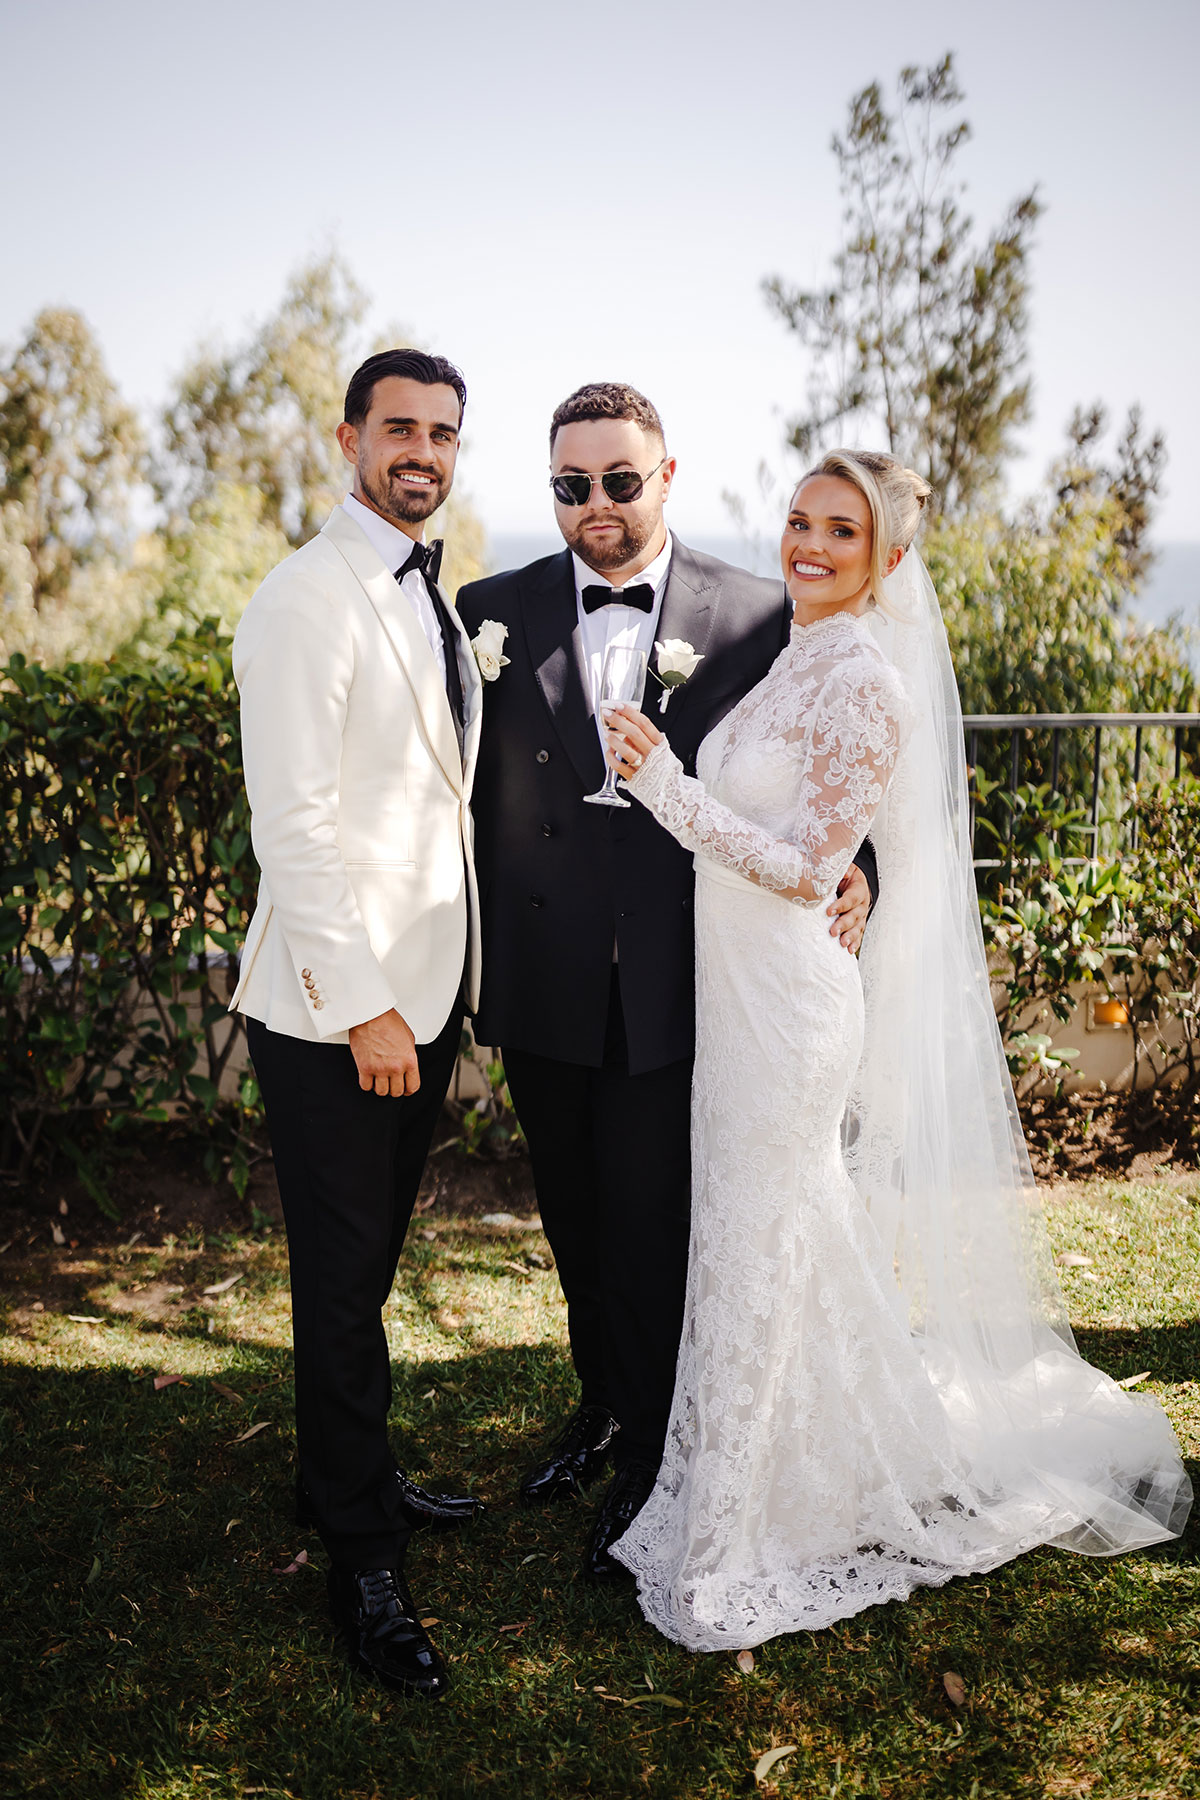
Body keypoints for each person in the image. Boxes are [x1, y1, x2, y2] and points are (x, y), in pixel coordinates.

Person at [603, 450, 1192, 1650]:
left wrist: (664, 786)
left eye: (842, 530)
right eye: (800, 520)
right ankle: (809, 1471)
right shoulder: (797, 656)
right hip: (742, 999)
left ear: (889, 558)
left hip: (792, 1008)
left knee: (766, 1236)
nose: (810, 545)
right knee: (774, 1238)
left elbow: (810, 866)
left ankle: (746, 1523)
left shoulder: (868, 681)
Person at [456, 385, 877, 1580]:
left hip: (681, 979)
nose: (595, 503)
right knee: (575, 1222)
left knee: (652, 1227)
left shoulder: (756, 612)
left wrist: (865, 877)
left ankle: (654, 1454)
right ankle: (601, 1409)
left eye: (618, 480)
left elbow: (827, 770)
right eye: (570, 484)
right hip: (545, 978)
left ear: (666, 475)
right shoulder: (490, 611)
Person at [229, 349, 485, 1699]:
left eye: (442, 432)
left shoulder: (426, 590)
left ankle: (346, 1474)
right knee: (341, 1287)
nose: (422, 452)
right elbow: (296, 830)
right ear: (348, 439)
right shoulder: (306, 597)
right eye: (399, 429)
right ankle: (365, 1562)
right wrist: (367, 1009)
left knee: (366, 1268)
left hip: (424, 997)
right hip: (342, 1012)